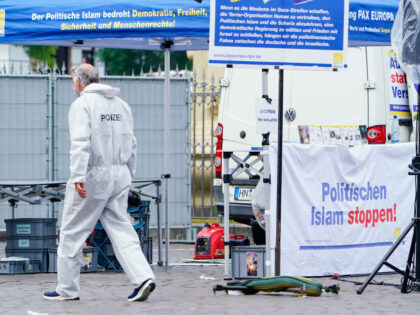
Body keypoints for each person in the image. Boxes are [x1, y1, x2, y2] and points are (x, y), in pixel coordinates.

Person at [44, 64, 155, 302]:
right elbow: (132, 143)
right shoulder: (121, 105)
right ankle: (143, 277)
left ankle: (67, 288)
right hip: (120, 174)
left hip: (94, 174)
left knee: (72, 231)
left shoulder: (82, 105)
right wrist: (129, 173)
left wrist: (77, 176)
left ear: (78, 81)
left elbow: (80, 142)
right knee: (122, 228)